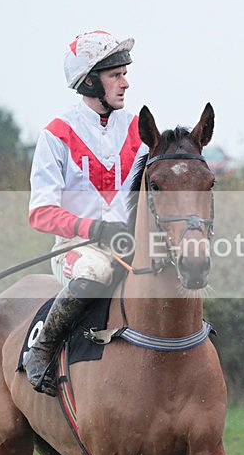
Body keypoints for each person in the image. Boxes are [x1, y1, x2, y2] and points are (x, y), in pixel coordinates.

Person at [23, 30, 150, 396]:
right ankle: (42, 348)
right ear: (91, 81)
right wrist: (94, 228)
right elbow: (41, 212)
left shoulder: (139, 127)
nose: (126, 83)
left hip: (131, 244)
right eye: (116, 75)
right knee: (96, 271)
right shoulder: (55, 134)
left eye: (125, 73)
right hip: (77, 249)